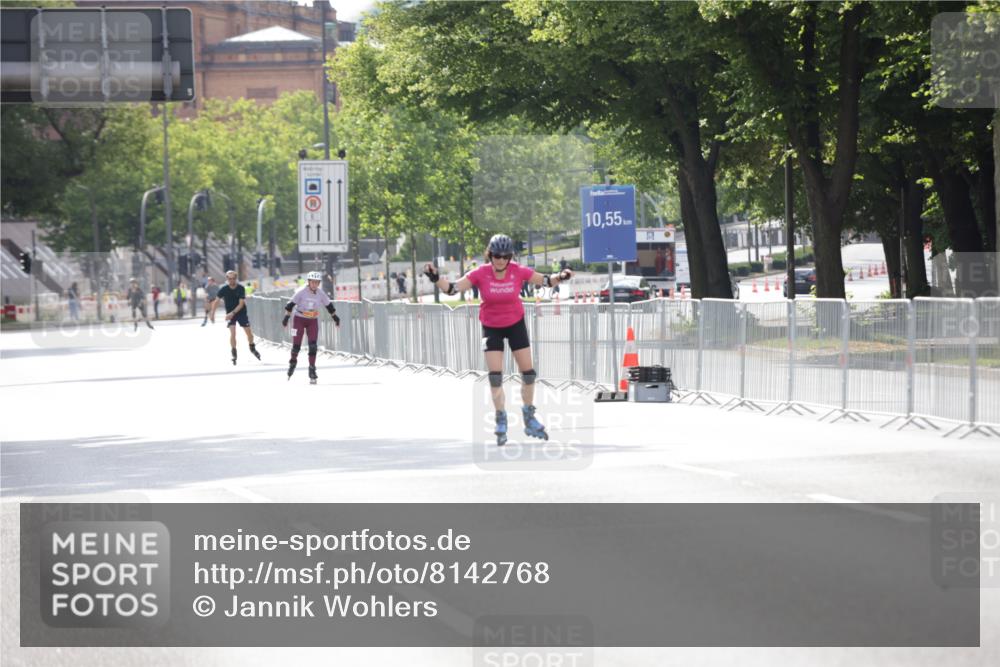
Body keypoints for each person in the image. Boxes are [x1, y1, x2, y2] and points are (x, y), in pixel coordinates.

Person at [424, 233, 572, 446]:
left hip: (515, 324)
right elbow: (452, 289)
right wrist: (436, 278)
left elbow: (546, 280)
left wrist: (563, 276)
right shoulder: (481, 273)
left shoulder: (517, 271)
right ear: (490, 255)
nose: (501, 260)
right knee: (495, 375)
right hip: (491, 326)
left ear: (510, 256)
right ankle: (500, 417)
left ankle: (529, 416)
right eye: (496, 255)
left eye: (505, 256)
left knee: (528, 373)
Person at [281, 270, 340, 383]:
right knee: (296, 347)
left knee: (313, 346)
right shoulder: (301, 292)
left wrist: (335, 318)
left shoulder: (320, 293)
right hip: (299, 319)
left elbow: (329, 307)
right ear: (308, 282)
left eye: (316, 282)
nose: (314, 285)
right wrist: (286, 318)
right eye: (312, 282)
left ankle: (312, 369)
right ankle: (293, 362)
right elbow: (289, 306)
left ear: (318, 283)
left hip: (312, 320)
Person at [211, 270, 261, 365]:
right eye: (230, 279)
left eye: (233, 278)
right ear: (227, 279)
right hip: (230, 314)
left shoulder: (241, 288)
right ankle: (234, 352)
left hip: (240, 313)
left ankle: (252, 347)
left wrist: (232, 313)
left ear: (236, 278)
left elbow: (241, 304)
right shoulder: (224, 289)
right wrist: (212, 313)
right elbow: (216, 301)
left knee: (249, 334)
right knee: (233, 333)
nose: (232, 280)